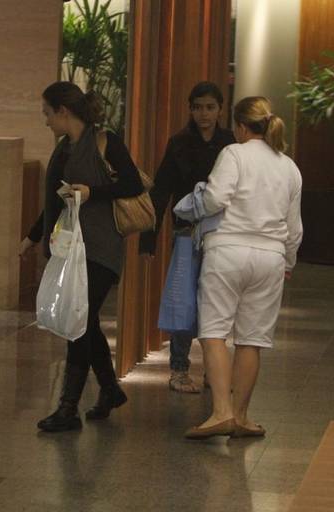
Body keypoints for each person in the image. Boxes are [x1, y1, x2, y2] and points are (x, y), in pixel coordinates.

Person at [20, 81, 143, 432]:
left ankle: (68, 407)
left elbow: (133, 184)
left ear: (63, 112)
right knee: (84, 321)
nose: (45, 122)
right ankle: (108, 388)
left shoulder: (105, 142)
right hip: (72, 248)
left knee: (79, 321)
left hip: (102, 247)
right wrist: (31, 237)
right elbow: (57, 201)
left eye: (47, 114)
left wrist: (94, 192)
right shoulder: (62, 151)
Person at [182, 96, 302, 439]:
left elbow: (217, 199)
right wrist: (288, 261)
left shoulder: (233, 154)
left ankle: (221, 412)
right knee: (252, 339)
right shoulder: (289, 166)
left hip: (228, 251)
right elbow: (295, 227)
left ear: (239, 126)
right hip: (270, 257)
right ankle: (244, 417)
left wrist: (196, 202)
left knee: (215, 331)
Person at [139, 81, 236, 394]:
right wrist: (148, 237)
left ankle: (213, 369)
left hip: (223, 230)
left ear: (220, 109)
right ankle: (179, 369)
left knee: (217, 299)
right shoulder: (179, 142)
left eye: (210, 107)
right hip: (186, 230)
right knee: (183, 298)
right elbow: (162, 188)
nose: (204, 114)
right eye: (197, 107)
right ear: (190, 109)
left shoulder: (230, 143)